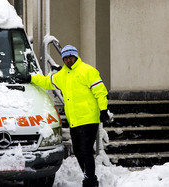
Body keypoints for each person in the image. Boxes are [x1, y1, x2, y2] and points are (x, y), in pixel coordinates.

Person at [24, 45, 109, 187]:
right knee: (78, 151)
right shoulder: (62, 75)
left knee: (86, 150)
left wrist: (103, 110)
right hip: (74, 121)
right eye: (66, 58)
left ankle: (90, 180)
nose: (69, 60)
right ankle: (89, 177)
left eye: (71, 57)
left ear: (76, 57)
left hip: (89, 119)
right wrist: (31, 78)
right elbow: (47, 81)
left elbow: (100, 91)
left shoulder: (87, 71)